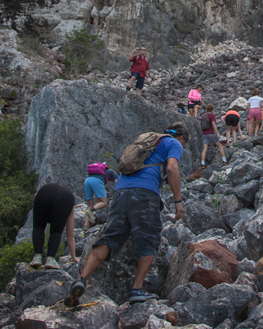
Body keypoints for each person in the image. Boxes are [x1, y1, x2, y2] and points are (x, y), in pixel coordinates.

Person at [64, 122, 189, 307]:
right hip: (145, 193)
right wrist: (178, 201)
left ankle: (82, 279)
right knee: (149, 239)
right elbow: (171, 168)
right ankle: (137, 290)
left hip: (120, 191)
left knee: (110, 237)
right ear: (182, 137)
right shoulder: (174, 144)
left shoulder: (150, 141)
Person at [30, 182, 79, 269]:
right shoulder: (69, 207)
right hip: (65, 198)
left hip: (43, 193)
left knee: (38, 227)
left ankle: (37, 257)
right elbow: (70, 235)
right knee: (56, 231)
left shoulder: (41, 198)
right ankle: (50, 260)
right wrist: (74, 257)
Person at [83, 163, 118, 228]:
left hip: (87, 180)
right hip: (96, 181)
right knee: (104, 203)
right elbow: (118, 185)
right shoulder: (114, 173)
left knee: (90, 204)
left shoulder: (102, 171)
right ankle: (91, 210)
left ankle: (86, 224)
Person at [200, 103, 227, 167]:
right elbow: (213, 124)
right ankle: (224, 160)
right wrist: (217, 132)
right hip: (211, 133)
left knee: (205, 148)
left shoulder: (203, 116)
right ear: (212, 109)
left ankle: (202, 163)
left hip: (204, 134)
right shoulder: (212, 115)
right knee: (219, 145)